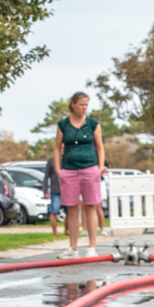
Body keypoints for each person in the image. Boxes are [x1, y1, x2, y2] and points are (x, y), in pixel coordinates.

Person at [54, 91, 105, 259]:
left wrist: (99, 167)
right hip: (69, 170)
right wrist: (58, 169)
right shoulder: (63, 125)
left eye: (86, 105)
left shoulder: (93, 124)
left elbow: (100, 147)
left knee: (91, 206)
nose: (84, 108)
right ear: (73, 104)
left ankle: (91, 247)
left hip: (90, 168)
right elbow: (56, 148)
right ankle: (73, 248)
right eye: (81, 104)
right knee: (72, 209)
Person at [42, 155, 62, 237]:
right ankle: (55, 233)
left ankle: (67, 231)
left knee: (70, 212)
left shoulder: (69, 157)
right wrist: (45, 191)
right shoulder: (51, 160)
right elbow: (46, 176)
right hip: (55, 190)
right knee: (54, 211)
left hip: (68, 190)